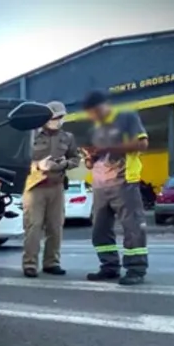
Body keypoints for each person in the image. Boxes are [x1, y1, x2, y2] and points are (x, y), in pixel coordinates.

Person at [82, 90, 149, 286]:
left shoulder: (126, 117)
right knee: (100, 230)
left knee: (133, 226)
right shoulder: (95, 129)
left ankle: (136, 269)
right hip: (100, 185)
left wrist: (108, 148)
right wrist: (90, 157)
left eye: (95, 111)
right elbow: (92, 160)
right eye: (90, 114)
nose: (93, 116)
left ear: (104, 105)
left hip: (124, 181)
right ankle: (109, 267)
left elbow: (142, 143)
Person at [21, 101, 80, 278]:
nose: (58, 120)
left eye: (61, 117)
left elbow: (76, 158)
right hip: (34, 186)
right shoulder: (30, 135)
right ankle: (30, 264)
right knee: (34, 227)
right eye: (55, 117)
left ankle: (51, 263)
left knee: (56, 227)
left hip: (57, 186)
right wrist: (39, 165)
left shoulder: (67, 137)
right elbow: (20, 161)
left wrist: (65, 164)